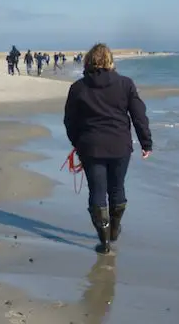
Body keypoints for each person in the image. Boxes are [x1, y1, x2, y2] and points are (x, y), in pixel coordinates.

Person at [63, 43, 152, 254]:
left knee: (97, 192)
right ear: (111, 61)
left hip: (91, 146)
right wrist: (146, 143)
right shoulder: (125, 84)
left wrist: (78, 142)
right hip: (120, 145)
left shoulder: (78, 87)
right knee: (117, 188)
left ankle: (104, 241)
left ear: (88, 61)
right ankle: (113, 231)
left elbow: (69, 121)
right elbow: (139, 116)